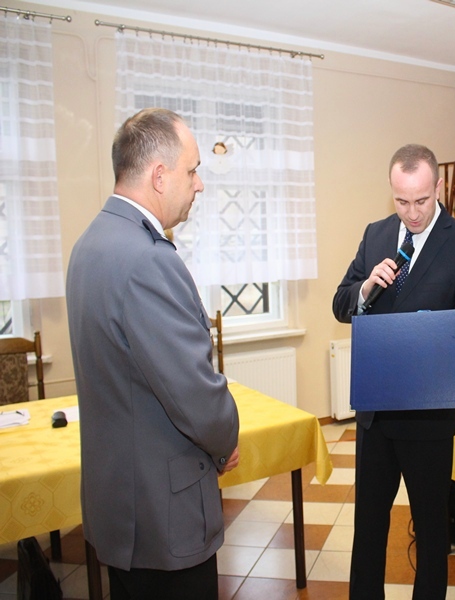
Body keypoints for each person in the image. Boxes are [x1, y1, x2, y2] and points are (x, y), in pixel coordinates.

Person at [66, 108, 240, 600]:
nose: (199, 184)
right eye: (192, 170)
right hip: (163, 514)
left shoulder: (90, 244)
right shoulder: (148, 260)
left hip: (120, 506)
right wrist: (225, 437)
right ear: (159, 176)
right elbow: (193, 392)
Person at [332, 144, 455, 599]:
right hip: (375, 415)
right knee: (368, 527)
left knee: (431, 528)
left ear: (437, 187)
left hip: (427, 417)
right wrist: (365, 288)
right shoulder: (376, 234)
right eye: (402, 201)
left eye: (421, 200)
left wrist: (425, 344)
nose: (412, 212)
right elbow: (341, 304)